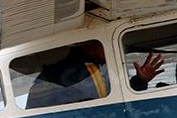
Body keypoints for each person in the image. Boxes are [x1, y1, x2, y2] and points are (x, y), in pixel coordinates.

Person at [23, 40, 165, 107]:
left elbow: (112, 93)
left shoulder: (96, 67)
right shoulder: (80, 70)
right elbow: (107, 103)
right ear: (93, 45)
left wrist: (140, 81)